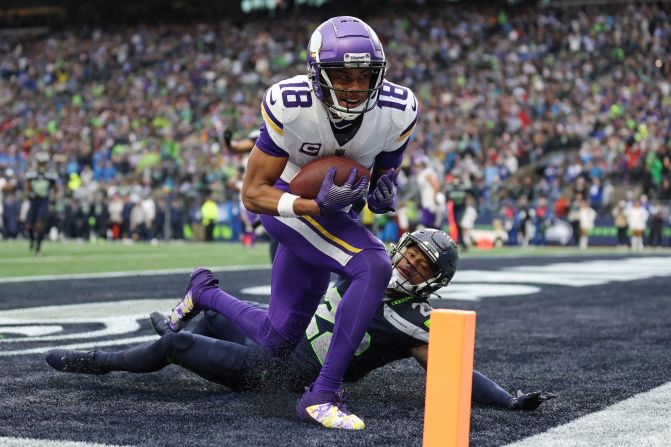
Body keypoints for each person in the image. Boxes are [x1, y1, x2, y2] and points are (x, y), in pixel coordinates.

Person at [171, 16, 417, 429]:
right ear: (318, 74)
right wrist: (310, 205)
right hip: (287, 207)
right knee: (373, 264)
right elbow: (253, 194)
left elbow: (385, 173)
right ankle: (321, 395)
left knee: (278, 338)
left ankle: (204, 291)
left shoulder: (398, 109)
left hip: (335, 212)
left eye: (365, 76)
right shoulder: (290, 104)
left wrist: (383, 191)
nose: (355, 87)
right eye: (343, 75)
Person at [46, 229, 556, 427]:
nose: (411, 268)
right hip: (277, 339)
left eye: (424, 269)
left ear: (431, 282)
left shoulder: (414, 320)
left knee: (179, 343)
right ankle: (175, 317)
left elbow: (454, 370)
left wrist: (508, 400)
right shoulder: (367, 264)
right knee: (217, 315)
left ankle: (102, 361)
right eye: (412, 257)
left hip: (281, 374)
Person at [24, 151, 58, 254]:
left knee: (40, 225)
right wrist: (29, 193)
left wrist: (53, 197)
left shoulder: (50, 174)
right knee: (28, 226)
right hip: (33, 200)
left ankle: (38, 248)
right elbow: (27, 186)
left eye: (43, 162)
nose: (42, 164)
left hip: (43, 200)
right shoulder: (32, 173)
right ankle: (32, 240)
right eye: (40, 162)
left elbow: (54, 188)